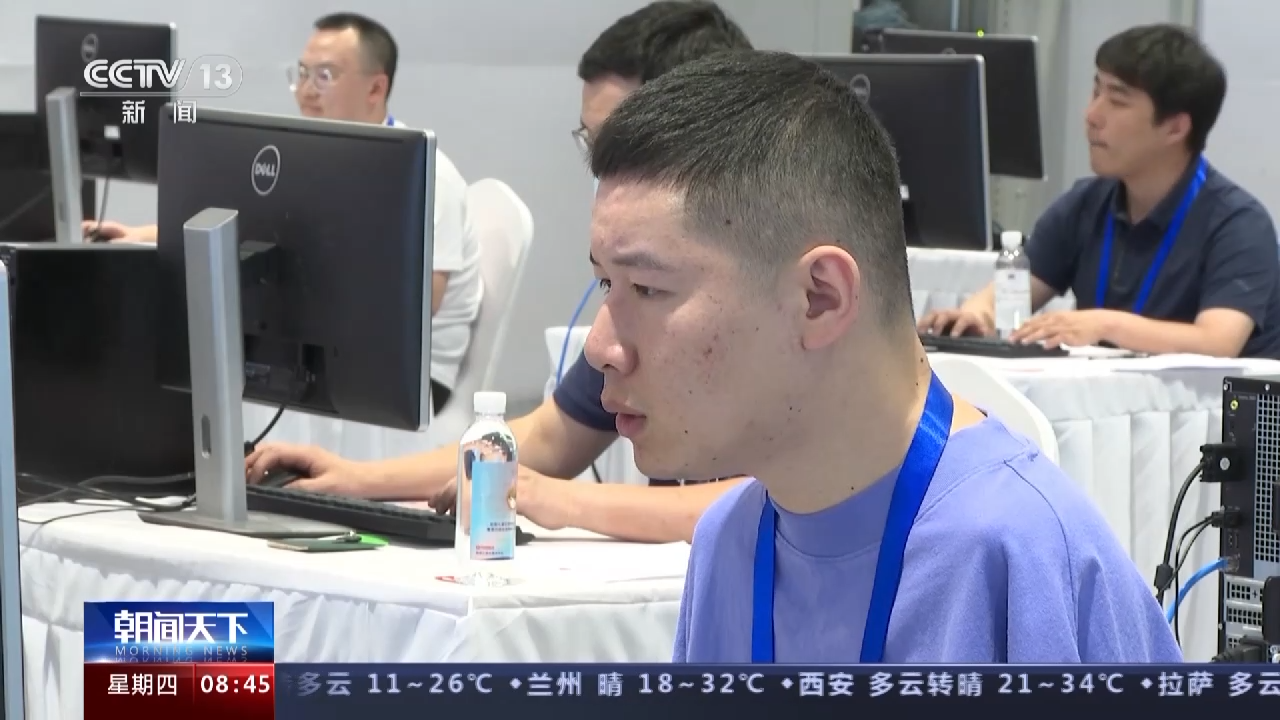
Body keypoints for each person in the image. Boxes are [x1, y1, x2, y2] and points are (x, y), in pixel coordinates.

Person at [584, 49, 1181, 662]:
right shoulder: (728, 543)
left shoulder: (1021, 552)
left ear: (819, 298)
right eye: (606, 283)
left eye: (647, 288)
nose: (599, 346)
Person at [246, 1, 754, 543]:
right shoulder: (633, 303)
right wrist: (357, 479)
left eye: (616, 146)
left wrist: (564, 499)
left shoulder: (773, 290)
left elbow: (777, 497)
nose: (602, 342)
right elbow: (553, 435)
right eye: (591, 143)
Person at [85, 13, 482, 410]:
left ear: (376, 87)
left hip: (410, 377)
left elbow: (420, 305)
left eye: (324, 76)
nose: (306, 90)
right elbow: (253, 229)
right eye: (303, 73)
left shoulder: (427, 176)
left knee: (214, 375)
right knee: (174, 355)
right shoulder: (315, 159)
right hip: (322, 353)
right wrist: (143, 235)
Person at [919, 24, 1280, 359]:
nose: (1092, 115)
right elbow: (1008, 293)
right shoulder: (1086, 203)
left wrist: (1105, 325)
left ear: (1175, 128)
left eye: (1117, 101)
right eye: (1096, 92)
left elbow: (1218, 342)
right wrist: (974, 315)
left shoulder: (1238, 224)